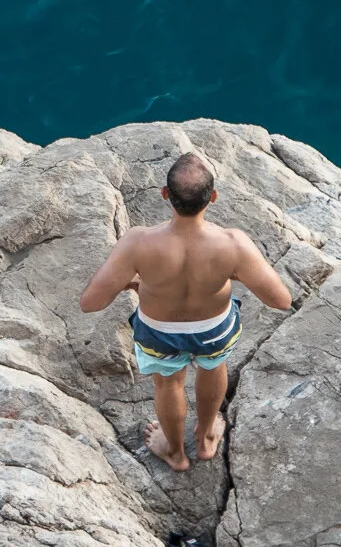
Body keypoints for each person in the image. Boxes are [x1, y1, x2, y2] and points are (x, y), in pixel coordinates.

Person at [79, 152, 292, 472]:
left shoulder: (138, 242)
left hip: (159, 332)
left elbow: (91, 303)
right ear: (213, 197)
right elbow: (281, 300)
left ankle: (175, 452)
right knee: (213, 366)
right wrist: (233, 272)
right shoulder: (233, 243)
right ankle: (206, 438)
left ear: (165, 194)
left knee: (168, 384)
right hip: (214, 329)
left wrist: (132, 280)